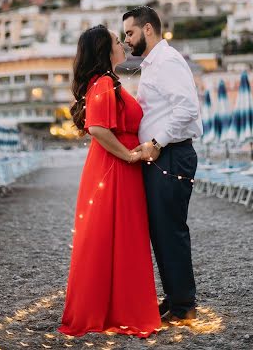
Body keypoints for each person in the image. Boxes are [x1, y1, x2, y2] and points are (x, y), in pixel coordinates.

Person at [58, 25, 161, 338]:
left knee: (114, 237)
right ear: (106, 50)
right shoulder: (103, 82)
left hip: (113, 166)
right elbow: (99, 129)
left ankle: (116, 307)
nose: (123, 44)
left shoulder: (106, 82)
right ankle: (119, 310)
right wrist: (130, 156)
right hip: (115, 168)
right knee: (116, 236)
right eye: (118, 41)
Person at [123, 6, 201, 324]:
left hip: (171, 154)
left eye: (130, 32)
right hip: (163, 155)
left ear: (148, 30)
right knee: (161, 230)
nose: (127, 40)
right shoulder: (153, 64)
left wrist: (156, 143)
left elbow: (187, 109)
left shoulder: (166, 61)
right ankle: (175, 297)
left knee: (170, 230)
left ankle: (183, 304)